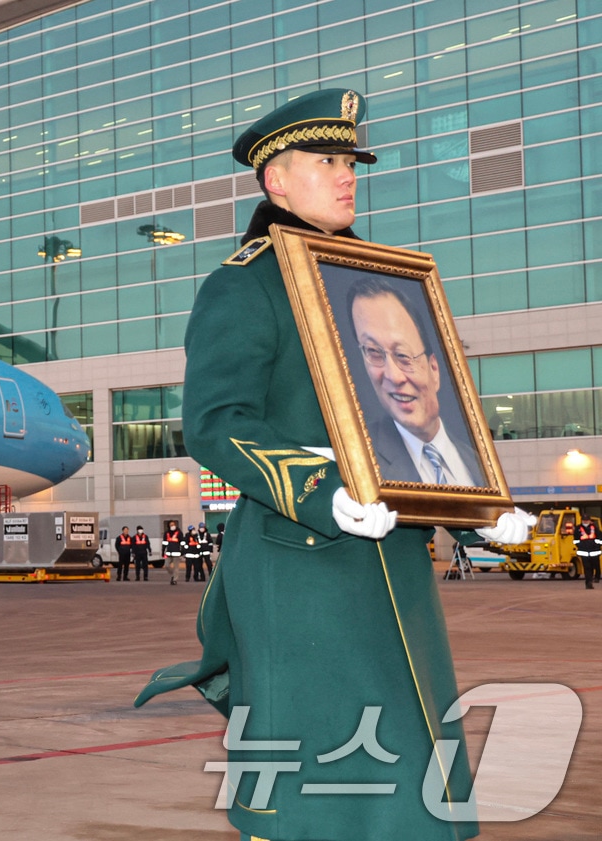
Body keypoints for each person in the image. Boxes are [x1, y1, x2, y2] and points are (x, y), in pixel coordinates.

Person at [131, 89, 533, 841]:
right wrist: (320, 488)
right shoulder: (245, 283)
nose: (347, 175)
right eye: (325, 161)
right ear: (276, 180)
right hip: (302, 565)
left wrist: (478, 510)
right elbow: (217, 423)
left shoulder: (379, 280)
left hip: (397, 564)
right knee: (314, 786)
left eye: (350, 162)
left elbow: (421, 421)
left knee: (411, 778)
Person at [346, 276, 483, 485]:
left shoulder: (479, 464)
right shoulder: (355, 461)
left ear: (434, 369)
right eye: (374, 352)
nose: (393, 376)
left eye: (403, 356)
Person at [577, 515, 600, 589]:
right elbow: (576, 540)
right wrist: (580, 545)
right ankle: (588, 582)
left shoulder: (594, 528)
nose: (585, 521)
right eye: (584, 520)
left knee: (593, 567)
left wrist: (596, 546)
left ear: (589, 520)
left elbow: (600, 538)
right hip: (584, 552)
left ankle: (592, 579)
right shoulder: (578, 528)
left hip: (594, 552)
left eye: (587, 520)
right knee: (587, 568)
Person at [161, 520, 182, 585]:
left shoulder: (179, 532)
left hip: (176, 553)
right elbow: (164, 543)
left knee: (176, 568)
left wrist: (182, 551)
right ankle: (173, 575)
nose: (172, 526)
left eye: (173, 524)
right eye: (171, 525)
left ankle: (175, 580)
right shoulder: (166, 533)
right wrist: (163, 551)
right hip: (169, 552)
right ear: (169, 526)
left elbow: (182, 542)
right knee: (166, 565)